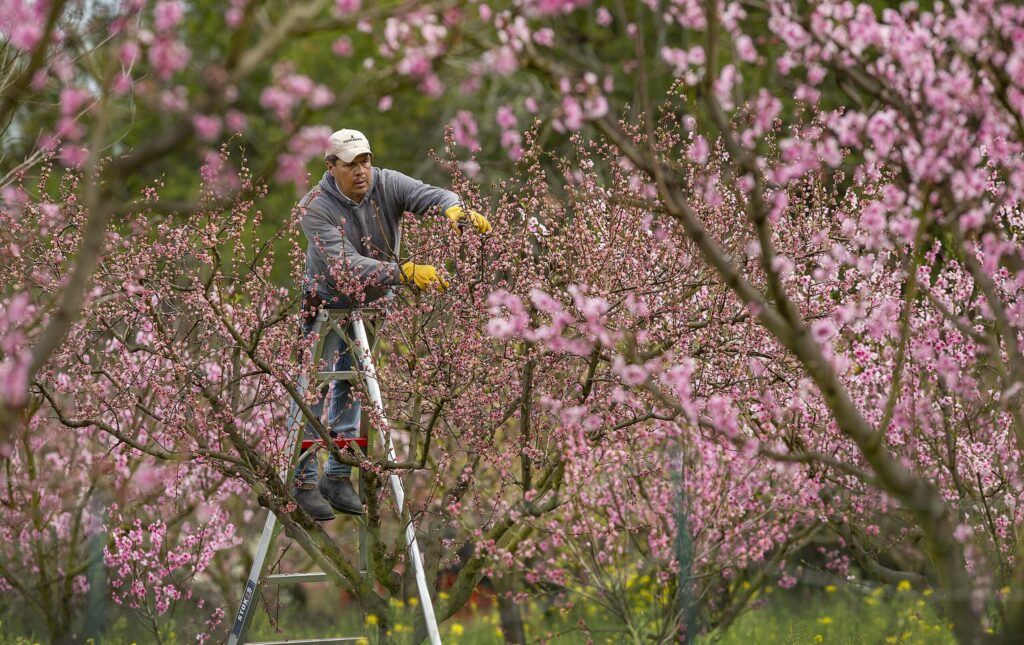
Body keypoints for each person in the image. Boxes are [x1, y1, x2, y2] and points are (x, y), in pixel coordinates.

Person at [293, 128, 491, 520]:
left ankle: (337, 473)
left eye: (365, 160)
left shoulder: (387, 183)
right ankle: (303, 479)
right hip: (326, 304)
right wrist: (403, 272)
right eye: (351, 164)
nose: (361, 170)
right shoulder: (315, 207)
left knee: (353, 388)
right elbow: (344, 263)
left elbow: (430, 194)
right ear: (332, 166)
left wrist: (453, 208)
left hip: (369, 307)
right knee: (313, 390)